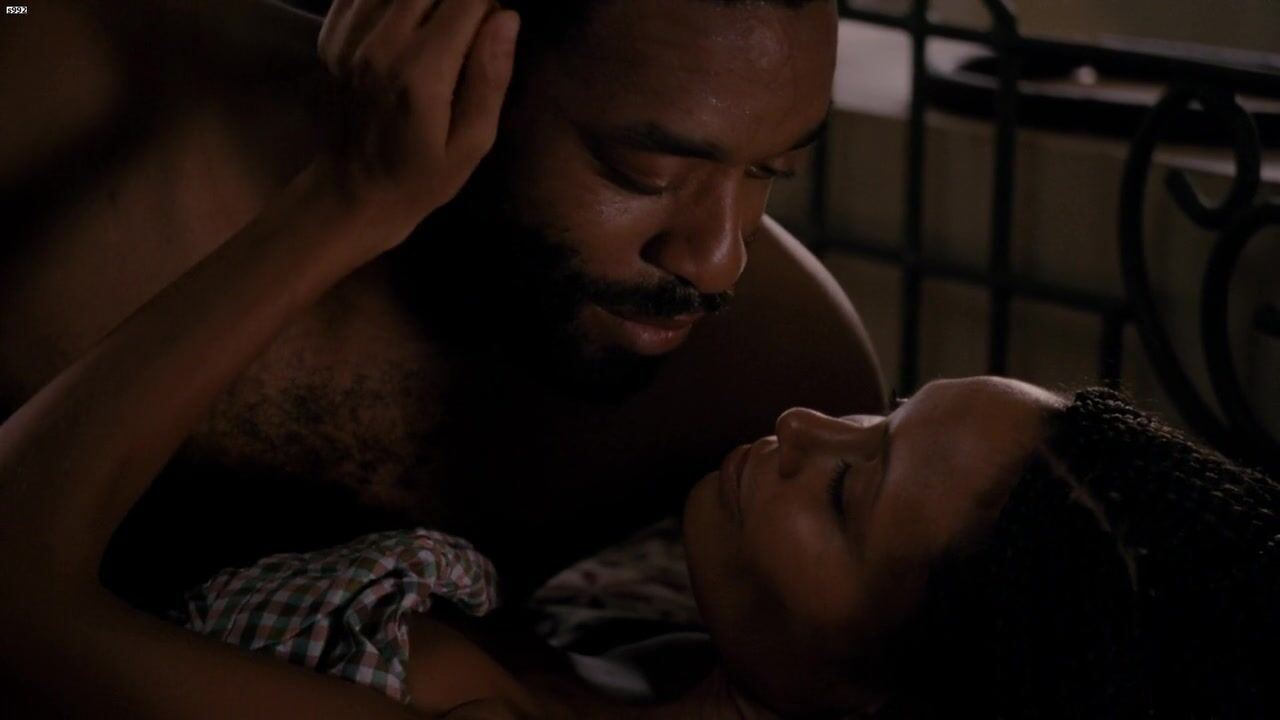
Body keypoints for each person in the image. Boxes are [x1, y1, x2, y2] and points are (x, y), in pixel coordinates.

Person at [0, 0, 882, 610]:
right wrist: (341, 208)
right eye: (641, 172)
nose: (718, 259)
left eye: (772, 170)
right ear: (427, 41)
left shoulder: (783, 378)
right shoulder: (55, 106)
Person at [183, 379, 1278, 719]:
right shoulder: (654, 647)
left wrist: (343, 206)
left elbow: (68, 635)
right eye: (886, 410)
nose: (805, 423)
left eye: (850, 489)